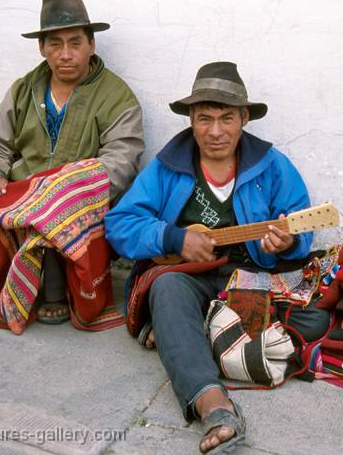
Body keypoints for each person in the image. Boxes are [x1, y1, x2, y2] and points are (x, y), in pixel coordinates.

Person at [105, 62, 328, 454]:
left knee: (318, 318)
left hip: (253, 277)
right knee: (168, 288)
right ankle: (213, 403)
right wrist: (173, 236)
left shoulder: (271, 165)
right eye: (204, 118)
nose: (215, 131)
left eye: (227, 118)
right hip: (190, 275)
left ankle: (184, 333)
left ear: (244, 118)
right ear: (191, 119)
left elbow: (299, 224)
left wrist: (285, 243)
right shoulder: (168, 165)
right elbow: (120, 223)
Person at [0, 0, 144, 330]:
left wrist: (68, 187)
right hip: (26, 191)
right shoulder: (24, 89)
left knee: (51, 213)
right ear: (42, 48)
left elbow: (122, 160)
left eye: (75, 43)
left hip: (76, 201)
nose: (65, 54)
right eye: (55, 44)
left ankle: (52, 292)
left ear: (91, 45)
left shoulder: (117, 96)